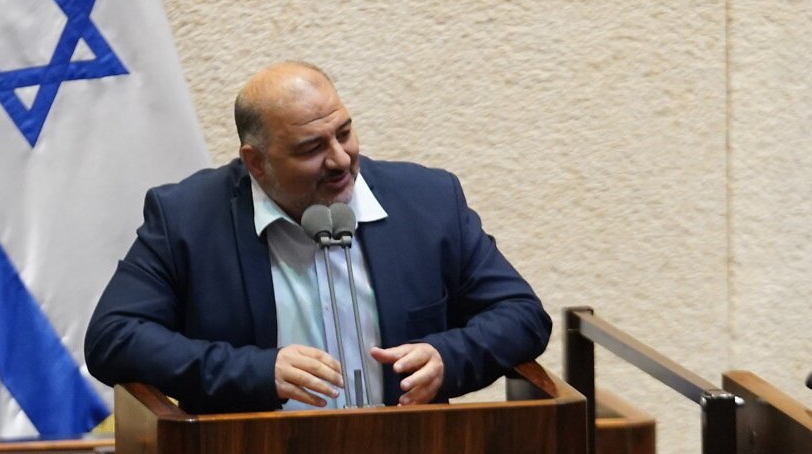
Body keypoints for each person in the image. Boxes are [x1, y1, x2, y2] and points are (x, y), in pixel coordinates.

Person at [85, 61, 551, 413]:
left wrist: (447, 356)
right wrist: (256, 371)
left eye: (344, 133)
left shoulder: (428, 201)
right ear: (256, 162)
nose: (340, 160)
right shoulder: (187, 218)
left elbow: (523, 316)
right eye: (311, 148)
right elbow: (113, 338)